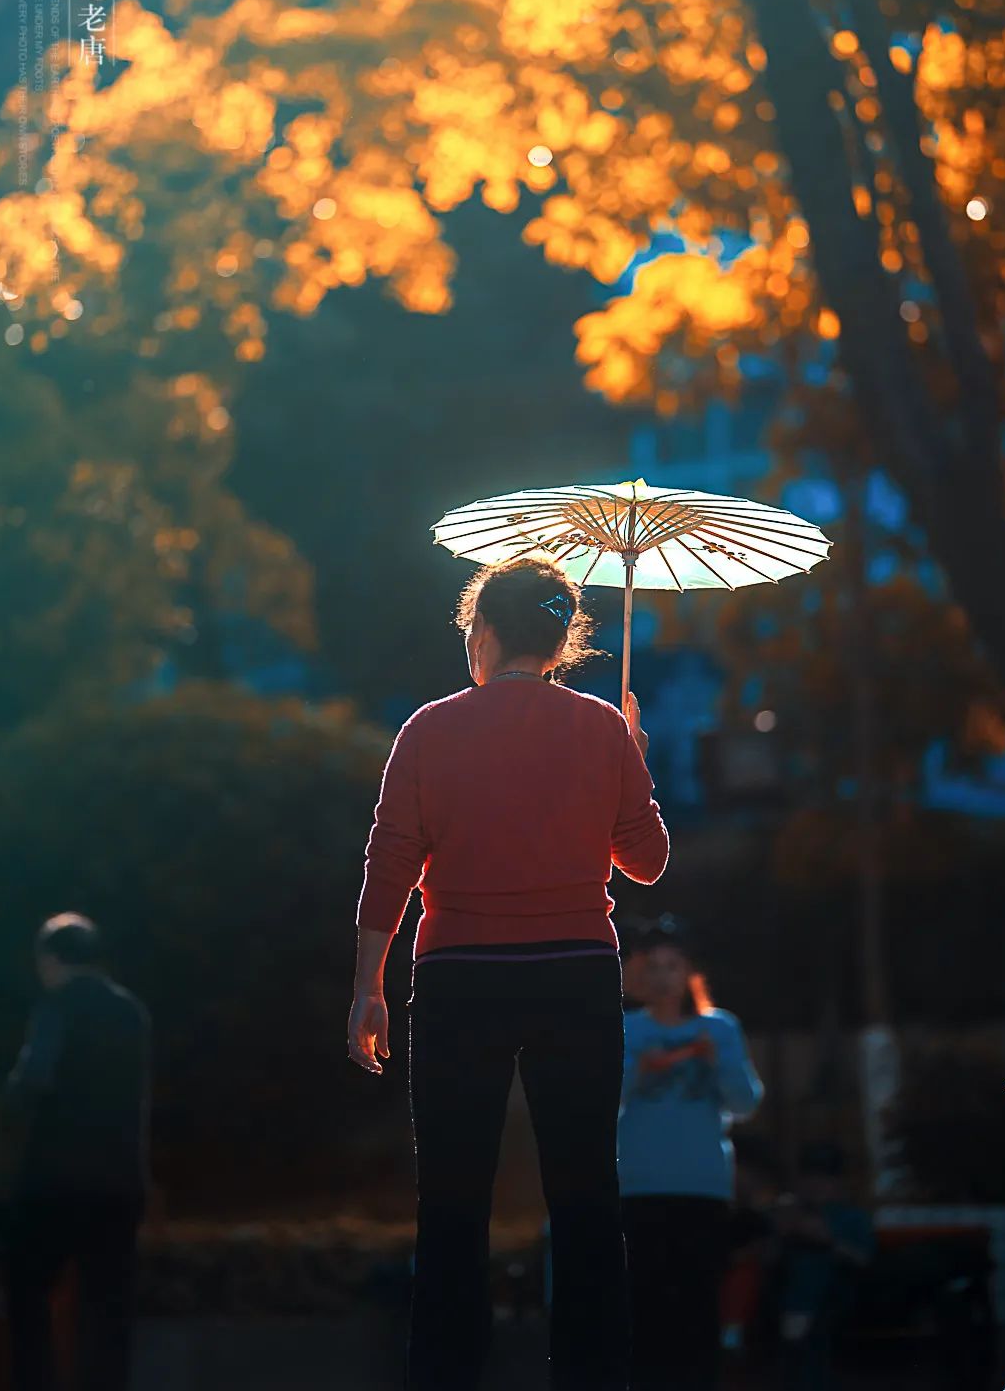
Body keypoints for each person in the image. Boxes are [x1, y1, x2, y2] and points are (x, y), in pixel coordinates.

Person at [347, 555, 671, 1391]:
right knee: (587, 1196)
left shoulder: (427, 729)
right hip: (576, 974)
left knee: (452, 1204)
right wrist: (633, 757)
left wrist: (367, 985)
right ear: (561, 640)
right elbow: (648, 861)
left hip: (461, 977)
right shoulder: (602, 727)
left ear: (484, 634)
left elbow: (388, 866)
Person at [3, 913, 150, 1391]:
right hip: (120, 1181)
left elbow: (33, 1081)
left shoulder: (57, 1007)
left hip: (56, 1181)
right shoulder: (131, 1012)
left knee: (27, 1289)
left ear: (50, 959)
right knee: (109, 1305)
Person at [617, 926, 764, 1391]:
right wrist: (639, 1070)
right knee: (644, 1303)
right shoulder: (625, 1029)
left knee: (699, 1303)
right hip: (639, 1185)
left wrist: (716, 1058)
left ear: (689, 973)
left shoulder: (720, 1027)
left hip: (702, 1184)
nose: (662, 977)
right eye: (652, 967)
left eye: (671, 966)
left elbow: (745, 1102)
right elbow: (603, 1102)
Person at [771, 1141, 874, 1391]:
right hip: (784, 1295)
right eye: (810, 1178)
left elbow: (865, 1260)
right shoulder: (790, 1211)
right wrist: (782, 1231)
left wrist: (829, 1241)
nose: (816, 1185)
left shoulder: (853, 1217)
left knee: (815, 1263)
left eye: (824, 1179)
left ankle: (798, 1321)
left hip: (837, 1294)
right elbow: (768, 1257)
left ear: (838, 1182)